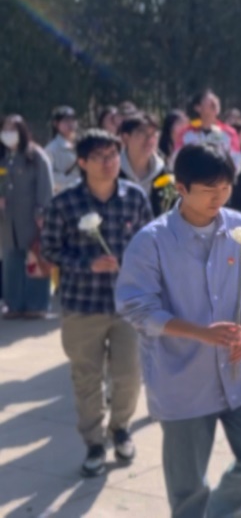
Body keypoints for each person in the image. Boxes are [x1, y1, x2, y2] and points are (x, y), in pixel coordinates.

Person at [116, 142, 241, 517]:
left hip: (240, 369)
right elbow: (137, 307)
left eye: (225, 187)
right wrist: (201, 333)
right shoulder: (152, 242)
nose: (219, 197)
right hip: (183, 380)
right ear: (181, 188)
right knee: (188, 489)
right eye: (209, 189)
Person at [40, 129, 150, 476]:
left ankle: (121, 427)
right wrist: (86, 263)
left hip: (127, 305)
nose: (109, 163)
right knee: (86, 378)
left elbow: (149, 244)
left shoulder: (134, 197)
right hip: (82, 306)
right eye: (100, 157)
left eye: (113, 155)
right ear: (82, 162)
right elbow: (50, 249)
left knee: (129, 375)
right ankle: (93, 443)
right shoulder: (64, 203)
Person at [1, 115, 54, 319]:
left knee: (35, 259)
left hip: (32, 219)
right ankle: (13, 305)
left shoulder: (35, 155)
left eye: (12, 129)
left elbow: (45, 186)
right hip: (7, 221)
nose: (8, 134)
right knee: (11, 262)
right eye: (5, 129)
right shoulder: (4, 156)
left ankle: (37, 305)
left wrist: (42, 212)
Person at [174, 90, 241, 176]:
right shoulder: (185, 134)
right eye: (210, 101)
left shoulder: (229, 133)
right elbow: (176, 160)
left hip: (219, 181)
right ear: (198, 108)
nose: (215, 102)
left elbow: (237, 163)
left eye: (216, 100)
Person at [118, 114, 169, 217]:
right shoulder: (112, 171)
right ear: (125, 138)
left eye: (153, 134)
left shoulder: (164, 174)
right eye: (142, 133)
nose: (149, 140)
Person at [47, 106, 81, 195]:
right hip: (63, 195)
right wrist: (75, 181)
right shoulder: (51, 148)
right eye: (66, 121)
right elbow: (48, 176)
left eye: (73, 120)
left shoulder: (81, 145)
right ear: (56, 124)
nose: (70, 124)